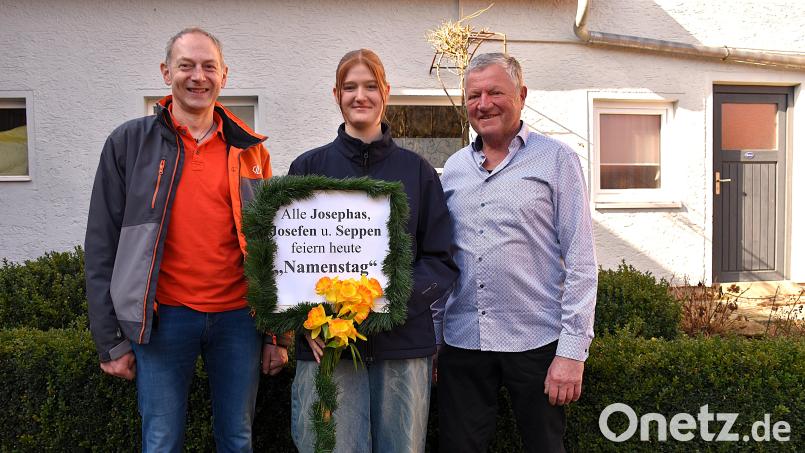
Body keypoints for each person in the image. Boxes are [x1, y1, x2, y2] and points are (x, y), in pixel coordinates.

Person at [84, 27, 289, 452]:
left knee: (237, 438)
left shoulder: (252, 153)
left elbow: (272, 249)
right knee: (161, 440)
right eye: (186, 66)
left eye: (208, 66)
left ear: (224, 76)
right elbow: (102, 245)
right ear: (165, 72)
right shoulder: (128, 144)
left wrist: (275, 334)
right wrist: (110, 341)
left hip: (239, 319)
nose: (198, 76)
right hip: (163, 319)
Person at [287, 48, 458, 453]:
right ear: (336, 94)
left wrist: (385, 302)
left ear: (386, 92)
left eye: (369, 86)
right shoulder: (306, 169)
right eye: (350, 87)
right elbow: (284, 263)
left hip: (401, 347)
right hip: (328, 348)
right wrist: (307, 321)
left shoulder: (417, 172)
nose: (359, 95)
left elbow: (441, 261)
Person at [435, 53, 597, 453]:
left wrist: (572, 353)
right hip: (463, 341)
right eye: (473, 95)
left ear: (521, 95)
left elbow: (581, 260)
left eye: (495, 92)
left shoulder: (557, 160)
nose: (483, 103)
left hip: (535, 341)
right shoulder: (453, 168)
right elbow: (443, 258)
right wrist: (434, 340)